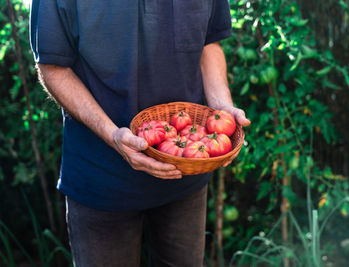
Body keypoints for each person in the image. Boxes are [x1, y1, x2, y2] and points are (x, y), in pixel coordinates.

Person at [30, 0, 250, 266]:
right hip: (102, 180)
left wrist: (222, 109)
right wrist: (112, 135)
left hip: (185, 175)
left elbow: (208, 43)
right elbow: (53, 67)